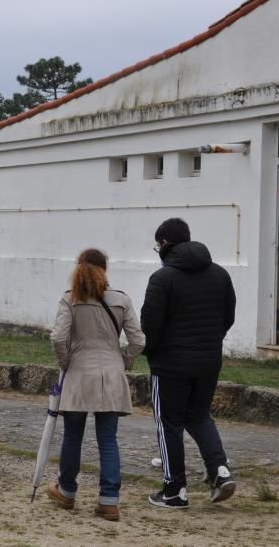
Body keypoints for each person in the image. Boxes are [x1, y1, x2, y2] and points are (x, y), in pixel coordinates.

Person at [141, 218, 237, 509]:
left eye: (157, 244)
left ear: (165, 243)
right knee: (198, 416)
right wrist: (209, 342)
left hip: (170, 364)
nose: (157, 249)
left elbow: (150, 324)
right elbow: (228, 316)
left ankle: (175, 489)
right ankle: (219, 472)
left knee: (168, 422)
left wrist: (154, 352)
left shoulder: (162, 278)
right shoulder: (220, 274)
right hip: (209, 360)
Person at [45, 249, 145, 522]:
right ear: (105, 269)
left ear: (78, 268)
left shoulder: (69, 300)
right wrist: (124, 361)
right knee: (108, 439)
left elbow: (58, 338)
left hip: (78, 374)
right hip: (111, 374)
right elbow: (138, 340)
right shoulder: (121, 300)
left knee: (73, 436)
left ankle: (66, 490)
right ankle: (109, 500)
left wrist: (66, 362)